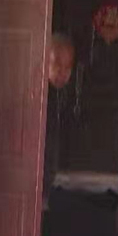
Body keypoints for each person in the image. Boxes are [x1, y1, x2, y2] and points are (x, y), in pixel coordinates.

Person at [42, 33, 75, 210]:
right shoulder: (41, 95)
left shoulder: (58, 94)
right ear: (44, 62)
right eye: (57, 64)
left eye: (68, 67)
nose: (63, 72)